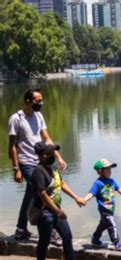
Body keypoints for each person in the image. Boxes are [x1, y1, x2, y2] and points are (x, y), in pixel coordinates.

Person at [8, 88, 67, 240]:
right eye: (38, 101)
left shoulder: (39, 115)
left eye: (41, 100)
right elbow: (12, 146)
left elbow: (46, 137)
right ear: (28, 101)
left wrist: (58, 156)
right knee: (43, 191)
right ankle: (51, 229)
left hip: (41, 160)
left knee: (30, 194)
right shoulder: (16, 119)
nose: (41, 103)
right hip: (26, 162)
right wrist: (16, 168)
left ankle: (21, 229)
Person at [30, 141, 89, 260]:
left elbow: (61, 183)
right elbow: (43, 195)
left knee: (67, 236)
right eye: (49, 153)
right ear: (40, 156)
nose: (52, 155)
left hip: (56, 209)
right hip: (45, 212)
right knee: (44, 241)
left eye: (53, 152)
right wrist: (57, 212)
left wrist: (76, 197)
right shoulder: (38, 172)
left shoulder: (53, 167)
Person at [83, 159, 121, 250]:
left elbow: (119, 188)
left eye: (110, 169)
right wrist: (85, 199)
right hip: (104, 209)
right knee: (111, 224)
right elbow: (91, 193)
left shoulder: (111, 181)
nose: (110, 171)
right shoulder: (98, 183)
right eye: (107, 169)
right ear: (100, 171)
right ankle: (116, 242)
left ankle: (95, 239)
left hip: (111, 209)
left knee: (103, 225)